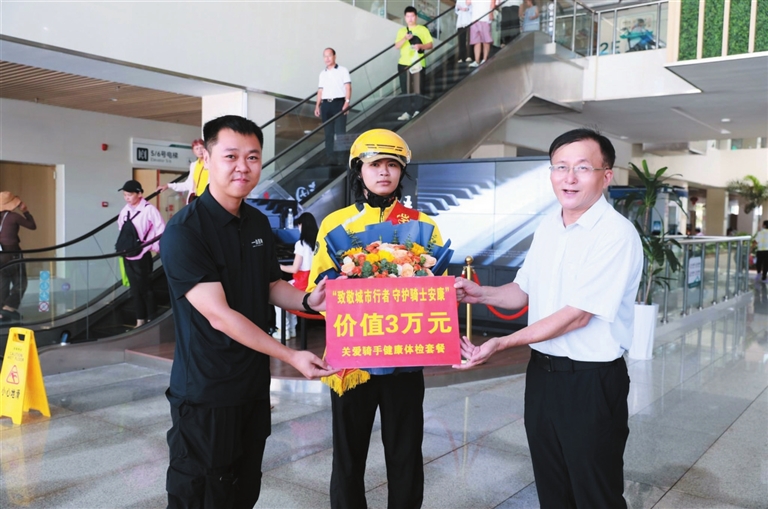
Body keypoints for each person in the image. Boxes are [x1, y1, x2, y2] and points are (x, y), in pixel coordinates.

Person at [454, 128, 643, 508]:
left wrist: (502, 342)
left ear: (606, 175)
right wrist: (481, 294)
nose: (569, 177)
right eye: (560, 167)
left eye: (582, 168)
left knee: (596, 494)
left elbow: (576, 317)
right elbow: (523, 290)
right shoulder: (549, 227)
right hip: (543, 376)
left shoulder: (616, 235)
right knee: (552, 488)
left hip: (590, 382)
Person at [160, 115, 336, 509]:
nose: (243, 166)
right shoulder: (185, 231)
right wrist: (291, 355)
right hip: (206, 391)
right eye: (231, 156)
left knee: (243, 490)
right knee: (202, 494)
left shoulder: (256, 221)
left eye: (253, 157)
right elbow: (219, 315)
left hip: (252, 385)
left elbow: (270, 285)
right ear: (206, 158)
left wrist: (309, 300)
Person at [308, 128, 444, 509]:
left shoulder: (425, 225)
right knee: (347, 455)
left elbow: (436, 290)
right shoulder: (335, 224)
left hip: (405, 359)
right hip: (352, 359)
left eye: (392, 165)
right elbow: (318, 290)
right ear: (359, 170)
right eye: (374, 164)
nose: (384, 172)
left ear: (402, 172)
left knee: (406, 452)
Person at [117, 180, 166, 327]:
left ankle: (151, 319)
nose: (127, 198)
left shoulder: (149, 210)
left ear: (139, 194)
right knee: (134, 290)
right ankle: (140, 320)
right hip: (128, 254)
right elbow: (121, 229)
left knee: (146, 289)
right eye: (125, 195)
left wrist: (153, 247)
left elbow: (161, 230)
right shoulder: (125, 210)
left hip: (143, 254)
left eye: (130, 195)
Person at [273, 212, 318, 339]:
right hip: (314, 282)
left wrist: (277, 266)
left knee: (280, 296)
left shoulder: (301, 244)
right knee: (290, 294)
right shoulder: (318, 242)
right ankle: (292, 329)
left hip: (303, 282)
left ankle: (283, 330)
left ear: (302, 225)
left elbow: (294, 269)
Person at [0, 191, 36, 322]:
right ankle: (8, 307)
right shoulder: (14, 217)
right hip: (13, 252)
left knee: (3, 282)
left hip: (0, 253)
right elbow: (32, 226)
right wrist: (26, 211)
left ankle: (1, 313)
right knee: (20, 282)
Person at [395, 6, 433, 121]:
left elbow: (430, 45)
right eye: (408, 16)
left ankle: (418, 109)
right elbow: (397, 46)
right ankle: (407, 111)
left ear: (416, 17)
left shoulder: (423, 29)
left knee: (418, 87)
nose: (410, 19)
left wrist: (420, 46)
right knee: (405, 88)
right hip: (404, 63)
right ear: (405, 17)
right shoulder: (402, 31)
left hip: (418, 63)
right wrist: (405, 38)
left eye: (412, 16)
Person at [314, 48, 352, 165]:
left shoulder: (343, 70)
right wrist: (317, 106)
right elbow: (320, 91)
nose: (327, 58)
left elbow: (348, 87)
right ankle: (330, 158)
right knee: (328, 133)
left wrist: (347, 102)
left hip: (339, 103)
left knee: (340, 133)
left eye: (329, 55)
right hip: (326, 104)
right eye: (325, 56)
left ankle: (341, 159)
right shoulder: (322, 73)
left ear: (334, 56)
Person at [156, 139, 208, 203]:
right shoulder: (194, 165)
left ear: (206, 149)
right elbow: (187, 184)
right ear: (193, 151)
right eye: (197, 148)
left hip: (207, 198)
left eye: (201, 147)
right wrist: (168, 185)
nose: (200, 150)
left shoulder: (211, 162)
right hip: (196, 200)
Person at [468, 0, 496, 68]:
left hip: (485, 18)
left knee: (486, 40)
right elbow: (467, 3)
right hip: (474, 18)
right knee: (476, 41)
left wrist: (491, 13)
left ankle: (485, 59)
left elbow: (493, 2)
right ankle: (477, 61)